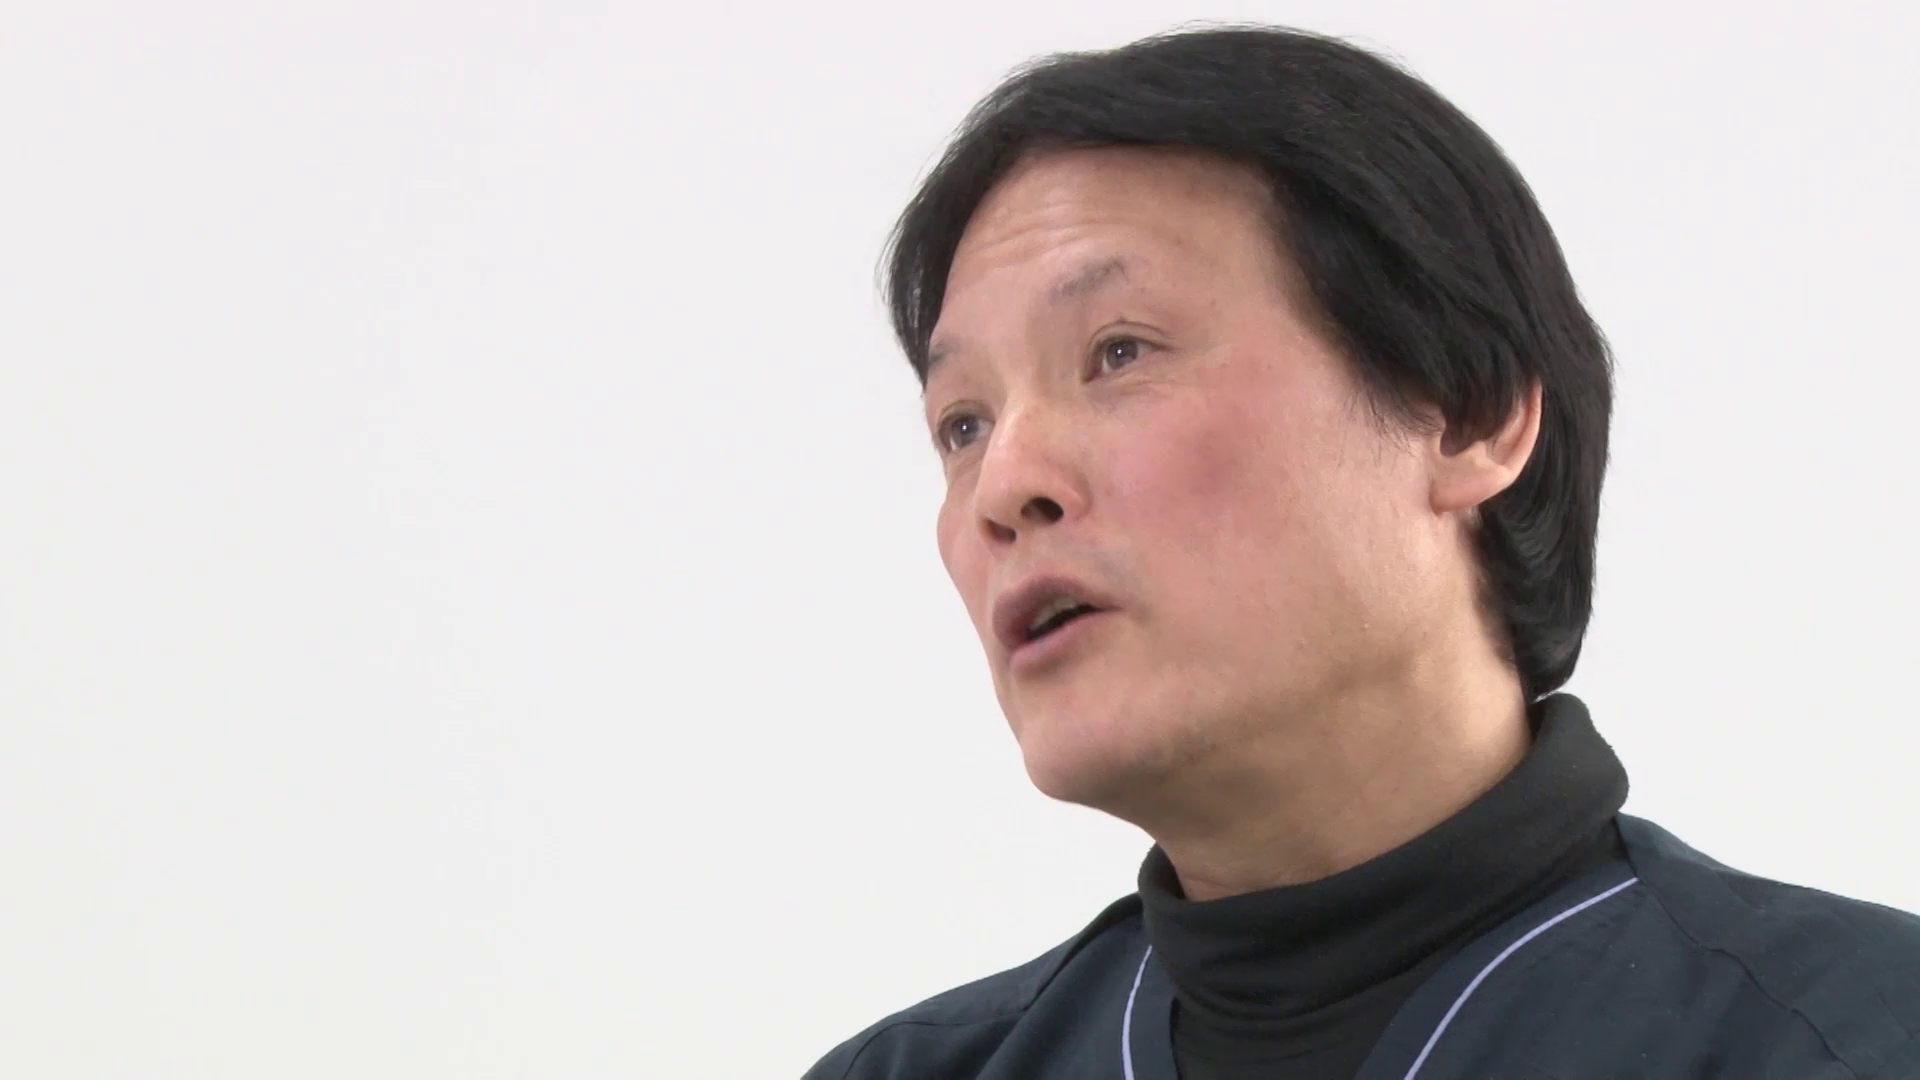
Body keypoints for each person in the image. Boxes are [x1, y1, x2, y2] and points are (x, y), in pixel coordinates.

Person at [802, 25, 1920, 1080]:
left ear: (1469, 414)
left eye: (1120, 352)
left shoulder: (1854, 1038)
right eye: (962, 424)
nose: (1005, 486)